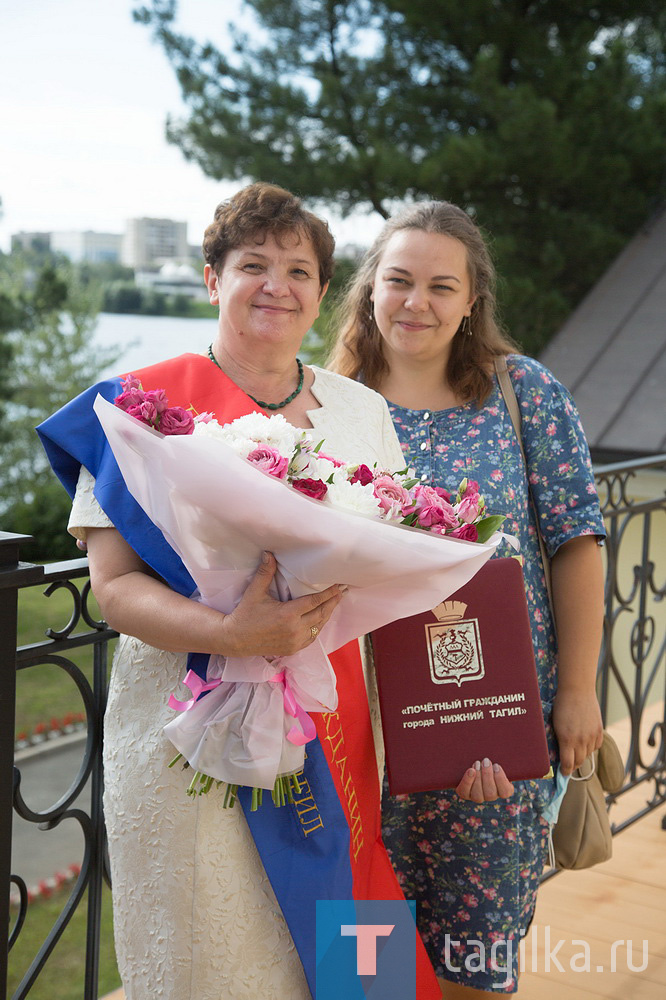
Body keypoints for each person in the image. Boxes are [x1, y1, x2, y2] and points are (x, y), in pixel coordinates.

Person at [37, 183, 448, 1000]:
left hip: (332, 728)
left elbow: (401, 574)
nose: (276, 285)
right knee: (210, 955)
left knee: (338, 957)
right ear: (210, 279)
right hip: (184, 734)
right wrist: (233, 635)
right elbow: (114, 590)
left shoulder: (364, 411)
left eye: (298, 269)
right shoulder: (139, 409)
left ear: (322, 294)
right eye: (252, 263)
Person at [329, 200, 606, 996]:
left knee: (477, 970)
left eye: (440, 286)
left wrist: (580, 692)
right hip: (365, 742)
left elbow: (576, 544)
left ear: (471, 300)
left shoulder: (523, 391)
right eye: (400, 281)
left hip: (500, 733)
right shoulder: (330, 403)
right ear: (370, 290)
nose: (417, 303)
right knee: (366, 971)